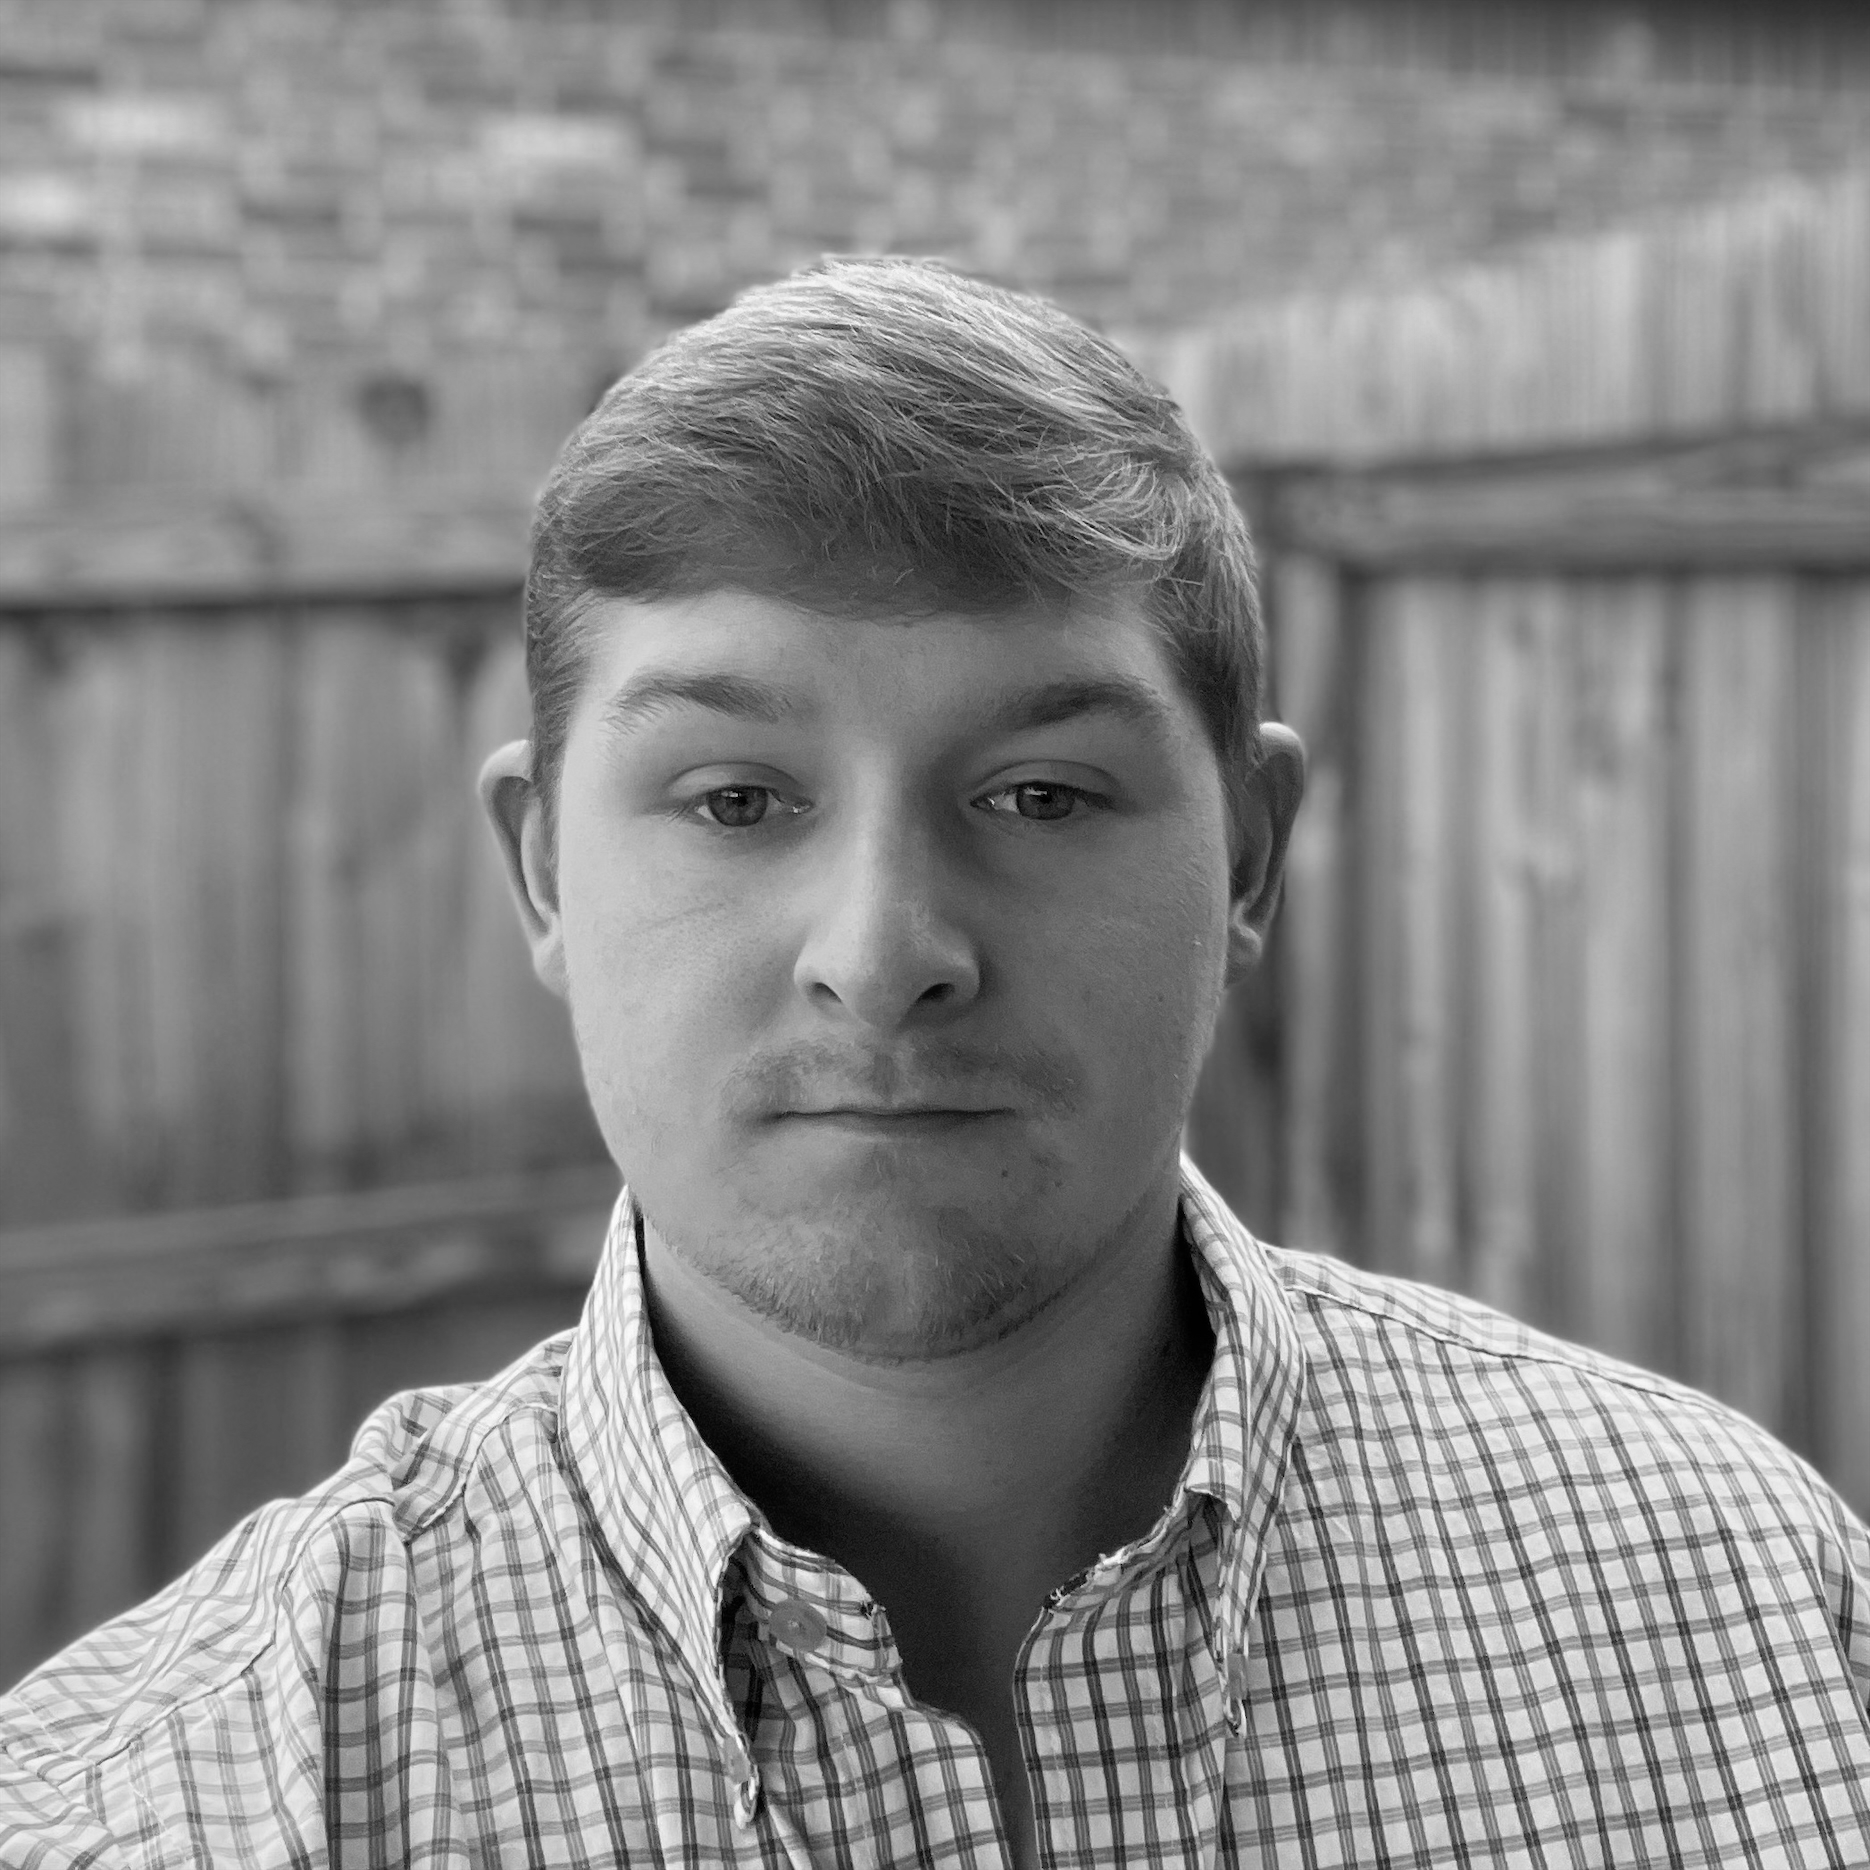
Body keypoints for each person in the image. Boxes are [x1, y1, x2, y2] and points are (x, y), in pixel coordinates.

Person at [2, 255, 1866, 1869]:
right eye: (736, 798)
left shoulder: (1753, 1619)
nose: (886, 954)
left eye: (1040, 792)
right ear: (543, 871)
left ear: (1246, 859)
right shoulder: (165, 1801)